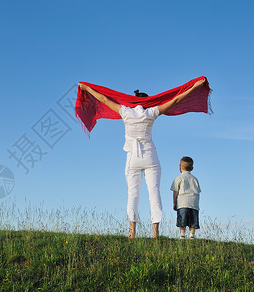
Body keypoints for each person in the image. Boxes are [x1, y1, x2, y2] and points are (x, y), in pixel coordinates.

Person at [78, 78, 206, 238]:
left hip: (133, 157)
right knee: (154, 193)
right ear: (148, 102)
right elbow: (176, 100)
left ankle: (132, 233)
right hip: (150, 156)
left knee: (133, 194)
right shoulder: (151, 112)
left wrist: (86, 88)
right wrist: (195, 86)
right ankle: (155, 232)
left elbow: (104, 99)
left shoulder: (125, 111)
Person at [171, 156, 201, 239]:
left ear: (180, 167)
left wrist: (174, 203)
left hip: (182, 203)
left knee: (182, 220)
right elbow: (198, 192)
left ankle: (182, 234)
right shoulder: (195, 179)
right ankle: (192, 235)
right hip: (193, 203)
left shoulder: (178, 179)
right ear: (192, 168)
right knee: (193, 221)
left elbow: (175, 192)